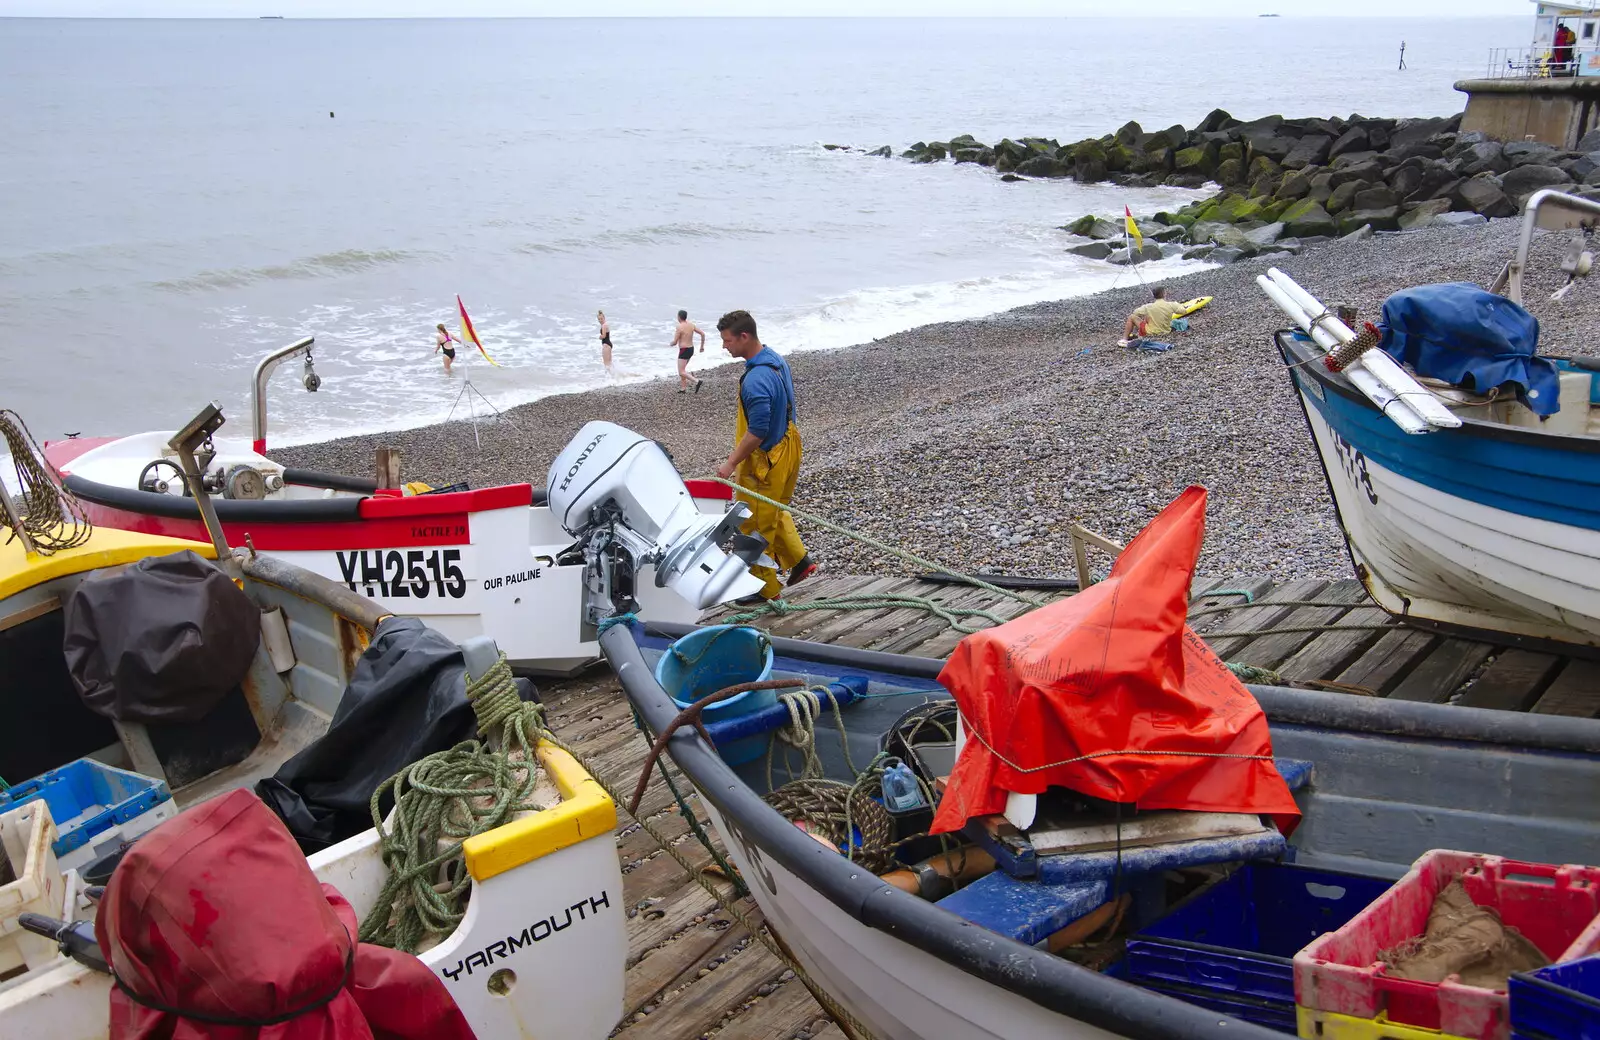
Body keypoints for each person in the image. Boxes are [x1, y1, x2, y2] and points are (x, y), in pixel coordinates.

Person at [714, 310, 817, 602]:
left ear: (744, 337)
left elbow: (757, 431)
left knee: (754, 522)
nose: (725, 347)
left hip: (765, 460)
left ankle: (764, 591)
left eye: (727, 340)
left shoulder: (756, 379)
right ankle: (799, 561)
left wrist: (730, 463)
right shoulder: (775, 360)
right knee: (773, 510)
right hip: (788, 447)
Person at [1120, 286, 1186, 348]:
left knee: (1131, 317)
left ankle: (1124, 339)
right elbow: (1183, 311)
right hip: (1166, 331)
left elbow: (1135, 312)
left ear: (1154, 295)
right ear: (1164, 294)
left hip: (1150, 331)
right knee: (1148, 317)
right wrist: (1177, 304)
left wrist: (1147, 315)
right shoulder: (1171, 305)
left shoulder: (1148, 306)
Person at [671, 309, 705, 393]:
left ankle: (697, 381)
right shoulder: (691, 325)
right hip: (691, 349)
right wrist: (701, 347)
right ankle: (683, 389)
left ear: (679, 317)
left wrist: (670, 344)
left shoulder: (679, 327)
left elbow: (675, 342)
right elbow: (702, 334)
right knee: (683, 369)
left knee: (681, 371)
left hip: (684, 350)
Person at [597, 310, 616, 379]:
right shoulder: (605, 325)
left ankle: (611, 378)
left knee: (606, 363)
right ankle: (615, 376)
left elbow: (604, 336)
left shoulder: (604, 326)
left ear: (604, 318)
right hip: (608, 344)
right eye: (599, 319)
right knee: (609, 363)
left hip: (606, 345)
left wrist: (600, 337)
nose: (600, 320)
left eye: (601, 319)